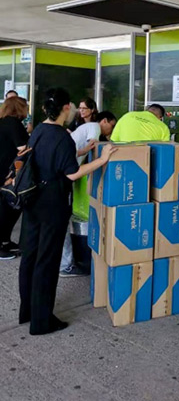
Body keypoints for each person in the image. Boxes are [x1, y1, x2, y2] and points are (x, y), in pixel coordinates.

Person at [19, 88, 117, 335]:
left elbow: (53, 158)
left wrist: (82, 151)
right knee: (47, 261)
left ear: (45, 109)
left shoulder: (39, 130)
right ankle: (42, 321)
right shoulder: (62, 136)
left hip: (32, 200)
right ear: (66, 108)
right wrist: (102, 159)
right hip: (53, 203)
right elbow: (72, 173)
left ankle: (27, 312)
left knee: (30, 256)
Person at [59, 110, 117, 277]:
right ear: (104, 121)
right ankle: (65, 265)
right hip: (65, 178)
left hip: (63, 176)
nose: (111, 130)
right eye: (111, 125)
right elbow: (94, 146)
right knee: (62, 222)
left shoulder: (84, 128)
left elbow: (82, 150)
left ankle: (63, 262)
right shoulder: (94, 127)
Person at [0, 97, 29, 259]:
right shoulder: (13, 123)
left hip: (3, 169)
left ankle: (5, 241)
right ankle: (1, 244)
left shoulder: (4, 122)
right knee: (8, 209)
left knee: (8, 208)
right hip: (5, 171)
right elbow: (23, 148)